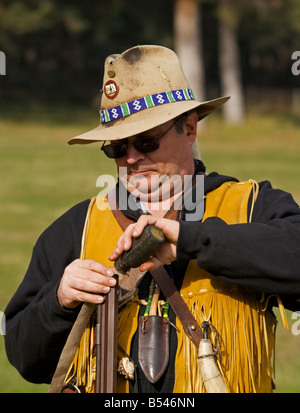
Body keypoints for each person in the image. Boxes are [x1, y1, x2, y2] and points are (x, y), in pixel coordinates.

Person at [4, 45, 300, 394]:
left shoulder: (253, 206)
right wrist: (60, 300)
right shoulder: (73, 230)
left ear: (189, 129)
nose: (130, 158)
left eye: (146, 142)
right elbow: (24, 358)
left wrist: (193, 241)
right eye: (116, 147)